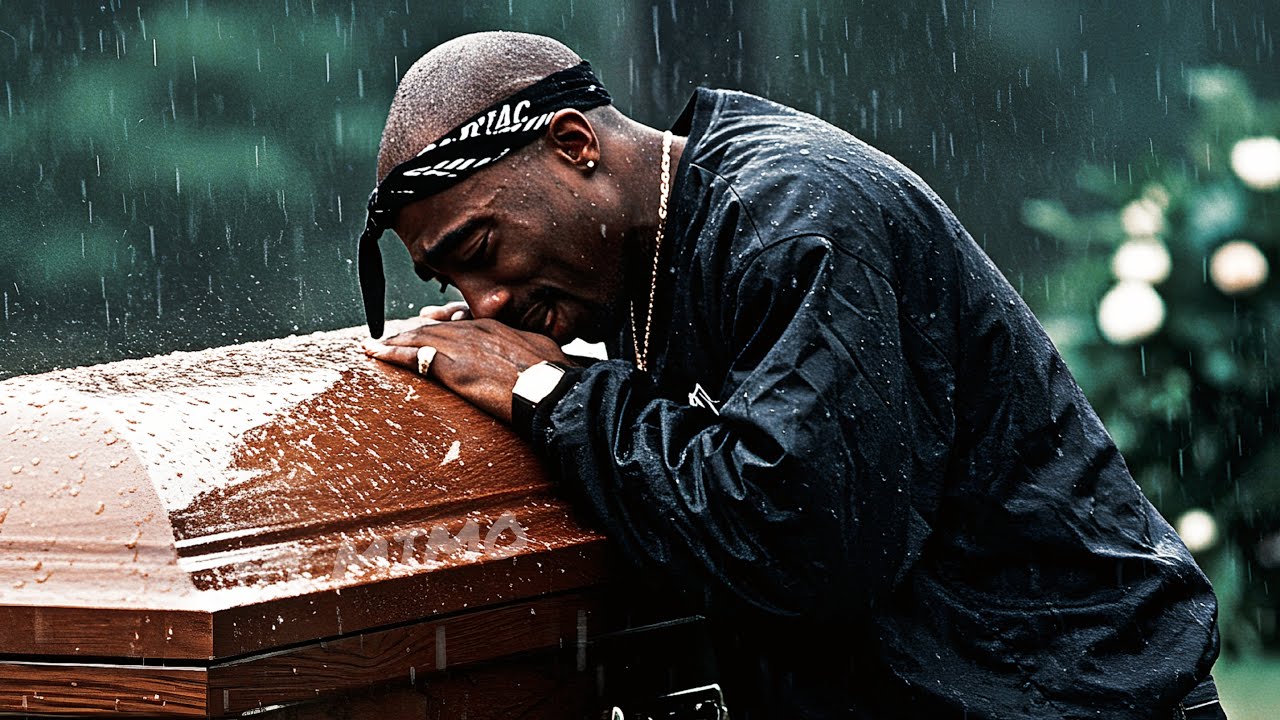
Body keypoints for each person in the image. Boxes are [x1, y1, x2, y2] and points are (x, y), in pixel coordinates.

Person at [356, 31, 1224, 719]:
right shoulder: (642, 255)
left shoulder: (795, 216)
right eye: (450, 281)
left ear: (574, 144)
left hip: (1083, 698)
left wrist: (552, 394)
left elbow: (804, 539)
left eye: (481, 249)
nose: (485, 302)